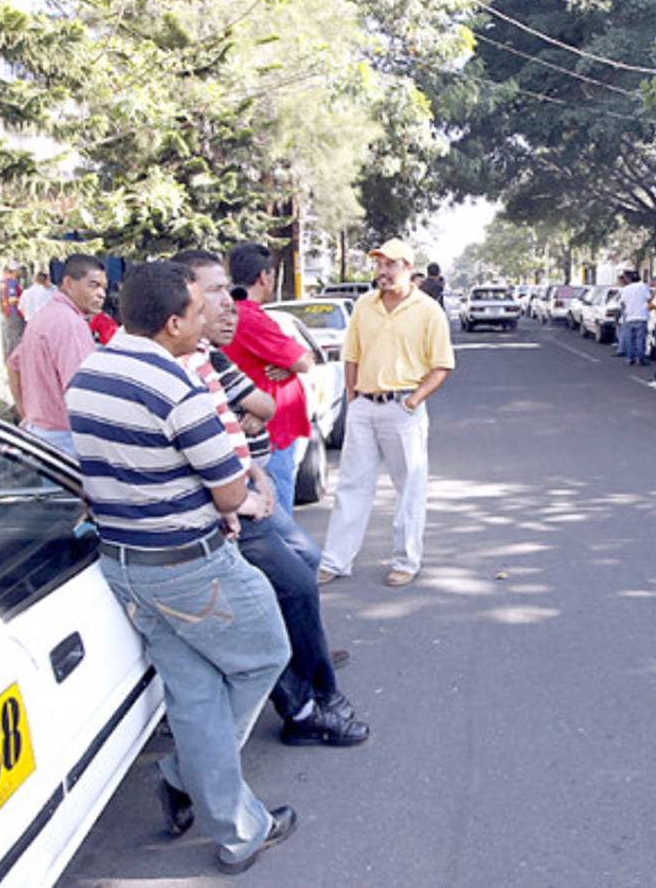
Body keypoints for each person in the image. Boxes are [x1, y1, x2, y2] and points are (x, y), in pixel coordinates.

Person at [66, 261, 295, 876]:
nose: (209, 320)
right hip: (191, 567)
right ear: (172, 323)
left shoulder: (89, 374)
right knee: (266, 654)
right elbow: (228, 492)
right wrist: (250, 492)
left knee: (194, 691)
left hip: (125, 565)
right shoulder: (177, 387)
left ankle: (236, 825)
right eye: (199, 312)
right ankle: (186, 775)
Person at [172, 250, 369, 747]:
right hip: (222, 515)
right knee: (278, 598)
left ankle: (311, 676)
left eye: (228, 290)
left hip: (245, 491)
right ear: (183, 299)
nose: (229, 303)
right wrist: (243, 494)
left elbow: (254, 410)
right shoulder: (175, 367)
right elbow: (214, 438)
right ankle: (308, 704)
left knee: (302, 568)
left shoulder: (207, 355)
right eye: (216, 291)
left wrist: (252, 460)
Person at [318, 238, 454, 588]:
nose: (383, 271)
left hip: (403, 408)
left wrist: (412, 401)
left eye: (391, 265)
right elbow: (352, 355)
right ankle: (335, 561)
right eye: (379, 265)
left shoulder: (428, 310)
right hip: (364, 406)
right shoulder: (365, 305)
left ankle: (406, 562)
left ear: (408, 268)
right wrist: (353, 398)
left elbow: (442, 365)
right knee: (351, 486)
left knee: (409, 488)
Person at [222, 244, 314, 515]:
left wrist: (289, 366)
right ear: (264, 277)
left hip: (265, 429)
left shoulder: (237, 314)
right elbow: (305, 361)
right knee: (276, 515)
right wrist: (292, 365)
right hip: (268, 434)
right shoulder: (249, 317)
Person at [6, 254, 106, 456]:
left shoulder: (44, 316)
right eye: (93, 285)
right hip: (66, 438)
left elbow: (13, 364)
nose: (101, 294)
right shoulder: (70, 324)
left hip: (39, 432)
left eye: (103, 287)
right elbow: (83, 391)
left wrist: (26, 414)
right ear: (68, 283)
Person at [617, 270, 651, 365]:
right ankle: (640, 358)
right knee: (640, 339)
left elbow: (622, 302)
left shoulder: (626, 289)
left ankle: (630, 358)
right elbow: (649, 299)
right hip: (642, 316)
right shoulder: (644, 287)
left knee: (630, 339)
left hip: (630, 316)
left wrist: (628, 309)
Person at [0, 267, 24, 356]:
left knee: (9, 336)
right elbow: (12, 300)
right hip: (14, 312)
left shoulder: (2, 283)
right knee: (16, 336)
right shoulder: (12, 283)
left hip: (7, 312)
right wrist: (23, 299)